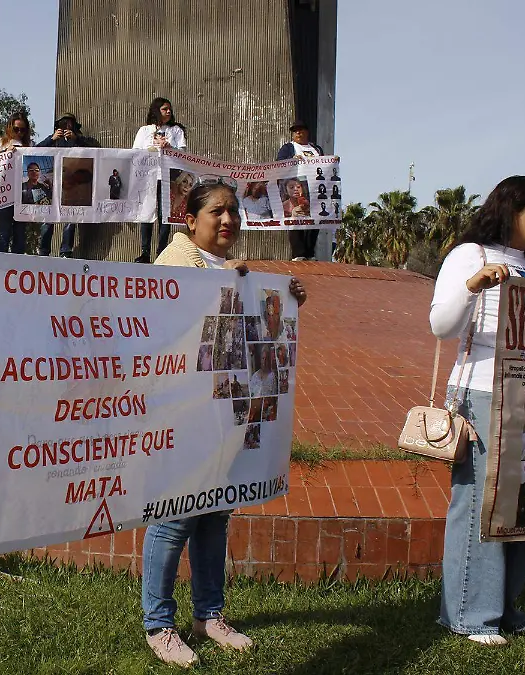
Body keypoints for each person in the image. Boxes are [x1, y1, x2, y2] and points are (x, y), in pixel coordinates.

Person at [144, 181, 307, 667]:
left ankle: (208, 614)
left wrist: (286, 300)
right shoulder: (174, 263)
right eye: (217, 211)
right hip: (181, 416)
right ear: (189, 220)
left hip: (226, 418)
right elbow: (172, 327)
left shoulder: (238, 273)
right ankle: (159, 623)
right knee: (173, 518)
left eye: (234, 211)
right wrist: (224, 287)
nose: (228, 220)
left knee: (216, 513)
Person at [430, 175, 525, 646]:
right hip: (483, 394)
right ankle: (468, 613)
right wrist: (472, 285)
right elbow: (441, 326)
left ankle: (505, 607)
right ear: (512, 209)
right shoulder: (471, 254)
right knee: (481, 504)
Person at [36, 112, 100, 258]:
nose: (66, 126)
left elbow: (95, 148)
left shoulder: (79, 138)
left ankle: (65, 250)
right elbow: (35, 151)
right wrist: (51, 139)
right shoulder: (54, 139)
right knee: (48, 218)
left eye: (69, 123)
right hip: (54, 184)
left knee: (70, 219)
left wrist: (76, 138)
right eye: (63, 123)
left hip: (72, 185)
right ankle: (44, 251)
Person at [133, 97, 188, 263]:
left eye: (170, 109)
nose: (169, 112)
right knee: (147, 213)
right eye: (165, 109)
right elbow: (135, 152)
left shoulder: (176, 131)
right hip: (148, 177)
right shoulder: (144, 131)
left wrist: (170, 148)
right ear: (156, 110)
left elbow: (184, 154)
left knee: (165, 215)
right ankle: (145, 252)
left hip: (168, 178)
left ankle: (161, 252)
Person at [276, 120, 325, 260]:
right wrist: (291, 159)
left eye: (301, 130)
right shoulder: (288, 148)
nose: (298, 132)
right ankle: (298, 253)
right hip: (296, 186)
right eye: (295, 130)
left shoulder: (317, 149)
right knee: (296, 217)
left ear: (307, 132)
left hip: (314, 188)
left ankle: (310, 252)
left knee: (315, 218)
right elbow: (279, 163)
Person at [0, 112, 32, 254]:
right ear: (10, 128)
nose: (19, 133)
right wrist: (4, 154)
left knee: (20, 234)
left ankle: (17, 266)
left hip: (22, 195)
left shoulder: (30, 145)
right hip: (4, 195)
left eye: (23, 130)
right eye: (16, 129)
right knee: (4, 233)